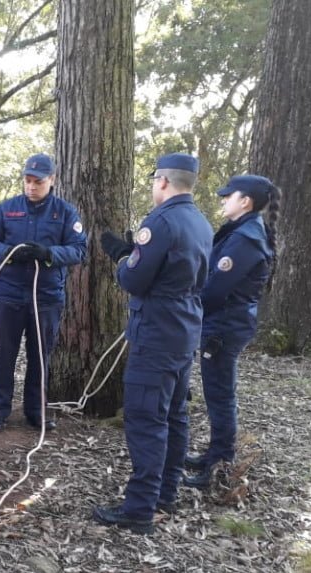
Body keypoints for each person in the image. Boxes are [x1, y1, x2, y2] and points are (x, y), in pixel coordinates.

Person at [93, 152, 213, 535]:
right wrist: (135, 255)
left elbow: (133, 280)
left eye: (153, 180)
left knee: (147, 419)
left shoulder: (160, 221)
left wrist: (123, 259)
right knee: (175, 416)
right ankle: (166, 493)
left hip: (157, 331)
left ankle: (139, 508)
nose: (152, 186)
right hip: (184, 330)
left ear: (162, 181)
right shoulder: (201, 221)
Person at [0, 154, 87, 433]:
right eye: (27, 181)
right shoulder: (7, 209)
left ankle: (35, 412)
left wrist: (49, 254)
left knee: (40, 357)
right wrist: (9, 254)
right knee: (4, 355)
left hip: (47, 297)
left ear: (52, 180)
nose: (31, 187)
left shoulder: (65, 212)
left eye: (38, 182)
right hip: (10, 294)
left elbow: (78, 250)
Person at [183, 175, 279, 489]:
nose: (223, 200)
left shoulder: (246, 238)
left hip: (224, 327)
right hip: (225, 323)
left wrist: (188, 311)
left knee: (220, 395)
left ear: (246, 201)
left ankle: (220, 463)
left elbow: (215, 290)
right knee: (218, 393)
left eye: (229, 196)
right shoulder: (242, 231)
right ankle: (214, 453)